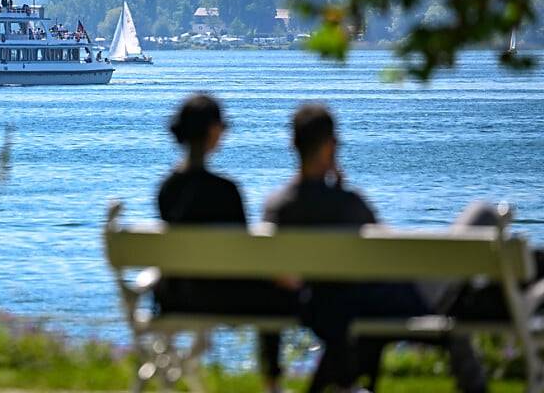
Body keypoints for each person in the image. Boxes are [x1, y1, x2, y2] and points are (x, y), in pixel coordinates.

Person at [263, 104, 486, 393]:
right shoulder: (349, 204)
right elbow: (389, 250)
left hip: (326, 306)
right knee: (482, 215)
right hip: (404, 299)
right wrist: (342, 191)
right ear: (331, 147)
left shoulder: (277, 207)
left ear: (294, 145)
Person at [156, 94, 295, 392]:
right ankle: (272, 383)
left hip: (178, 295)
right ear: (212, 132)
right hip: (227, 297)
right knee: (280, 297)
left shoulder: (166, 189)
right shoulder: (226, 191)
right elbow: (245, 256)